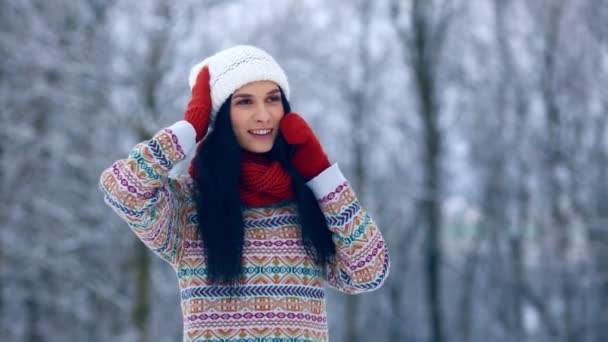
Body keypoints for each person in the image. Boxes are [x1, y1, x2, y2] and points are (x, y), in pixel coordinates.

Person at [99, 45, 390, 342]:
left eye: (273, 99)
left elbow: (369, 272)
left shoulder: (310, 202)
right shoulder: (188, 205)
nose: (263, 115)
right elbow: (124, 190)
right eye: (245, 102)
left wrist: (322, 173)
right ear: (222, 116)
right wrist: (189, 128)